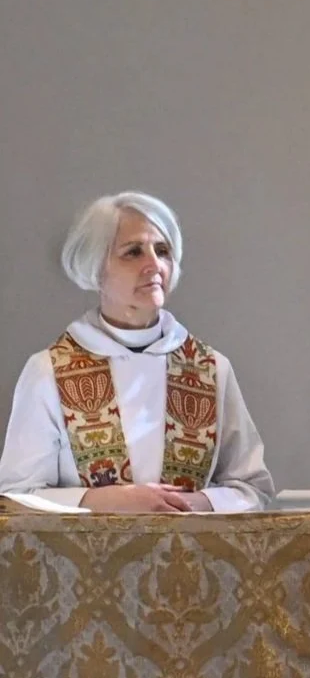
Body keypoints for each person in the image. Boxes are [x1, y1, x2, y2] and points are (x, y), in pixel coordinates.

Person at [0, 193, 274, 512]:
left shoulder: (210, 369)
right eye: (133, 252)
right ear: (95, 268)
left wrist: (193, 503)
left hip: (191, 558)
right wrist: (105, 501)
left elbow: (252, 488)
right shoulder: (48, 371)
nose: (154, 265)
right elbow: (17, 496)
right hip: (91, 561)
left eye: (162, 251)